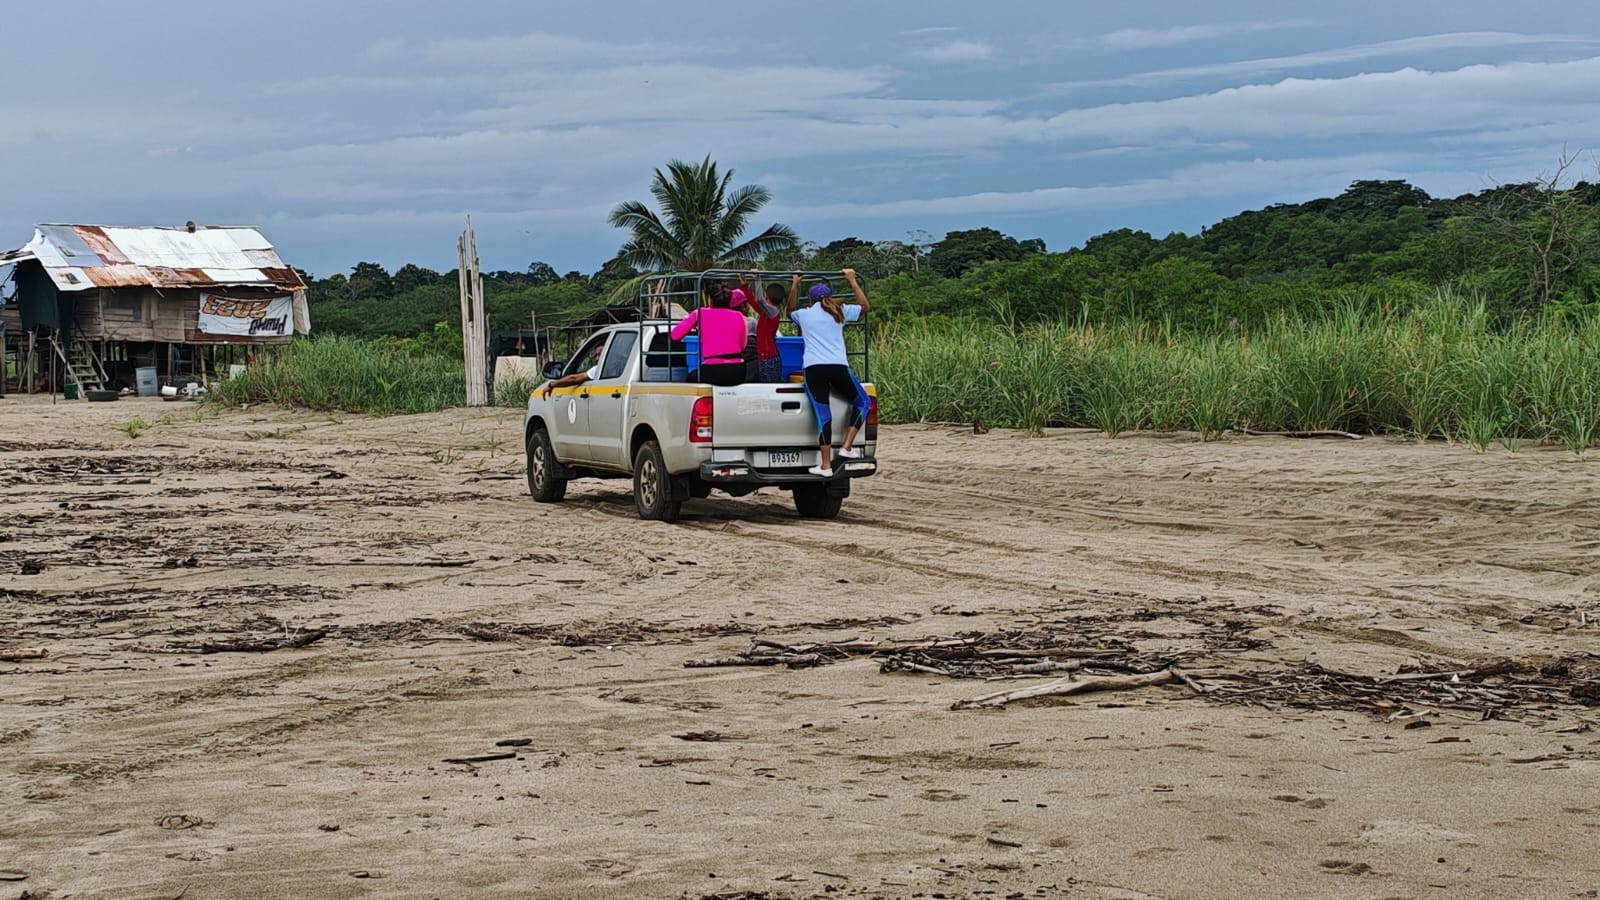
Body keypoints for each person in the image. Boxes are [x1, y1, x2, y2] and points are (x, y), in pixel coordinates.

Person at [789, 268, 870, 478]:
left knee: (823, 415)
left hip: (813, 369)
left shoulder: (804, 314)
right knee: (863, 402)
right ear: (830, 296)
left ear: (810, 299)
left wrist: (794, 284)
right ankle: (846, 446)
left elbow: (789, 311)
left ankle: (825, 465)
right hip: (837, 366)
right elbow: (864, 306)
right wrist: (852, 280)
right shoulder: (839, 311)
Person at [671, 283, 748, 386]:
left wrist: (691, 320)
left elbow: (675, 335)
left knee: (691, 378)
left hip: (712, 370)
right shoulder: (739, 316)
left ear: (710, 300)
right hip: (738, 371)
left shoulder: (700, 313)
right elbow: (742, 346)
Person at [740, 273, 790, 383]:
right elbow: (754, 303)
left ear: (766, 297)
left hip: (768, 358)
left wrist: (757, 278)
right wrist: (744, 287)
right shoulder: (766, 313)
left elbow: (758, 300)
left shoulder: (773, 312)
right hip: (765, 357)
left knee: (770, 387)